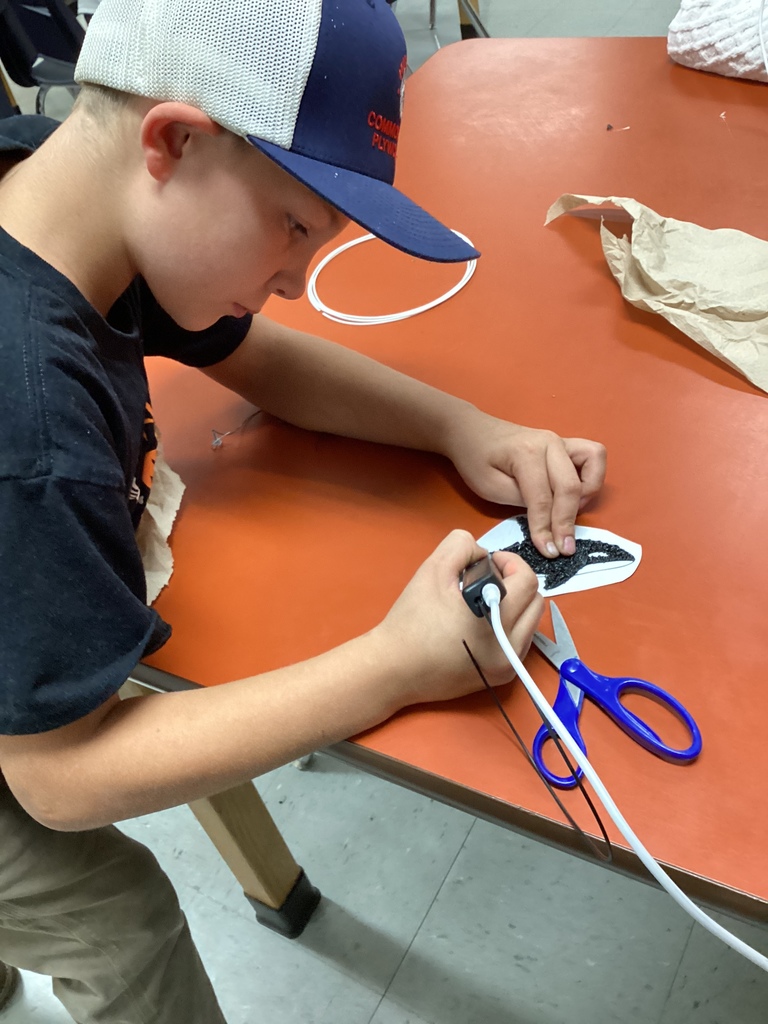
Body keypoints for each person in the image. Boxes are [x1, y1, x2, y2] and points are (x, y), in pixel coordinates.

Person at [0, 0, 606, 1020]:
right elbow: (61, 776)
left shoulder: (63, 192)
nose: (294, 278)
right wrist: (395, 664)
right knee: (118, 915)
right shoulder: (34, 429)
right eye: (292, 227)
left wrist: (463, 428)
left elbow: (251, 355)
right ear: (174, 139)